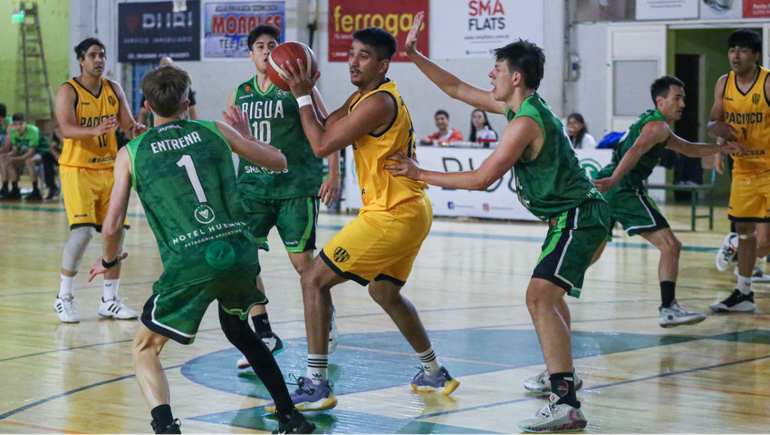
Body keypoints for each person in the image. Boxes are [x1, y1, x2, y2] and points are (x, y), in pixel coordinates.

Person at [87, 65, 315, 435]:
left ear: (145, 106)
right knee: (240, 331)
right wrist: (246, 135)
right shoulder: (214, 129)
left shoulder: (131, 152)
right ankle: (291, 418)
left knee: (144, 348)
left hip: (189, 261)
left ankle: (165, 428)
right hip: (238, 252)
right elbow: (279, 162)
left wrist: (109, 259)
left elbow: (112, 226)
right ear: (187, 103)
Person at [403, 13, 603, 432]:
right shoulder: (518, 105)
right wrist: (414, 55)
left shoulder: (525, 121)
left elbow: (480, 179)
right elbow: (456, 88)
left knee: (538, 297)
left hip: (579, 216)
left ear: (516, 78)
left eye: (496, 70)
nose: (489, 76)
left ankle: (565, 402)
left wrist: (419, 174)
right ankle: (562, 374)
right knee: (550, 297)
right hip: (575, 216)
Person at [265, 26, 460, 413]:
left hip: (392, 213)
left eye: (364, 56)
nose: (353, 61)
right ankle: (435, 372)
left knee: (313, 279)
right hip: (408, 209)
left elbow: (321, 145)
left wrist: (301, 92)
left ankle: (317, 384)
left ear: (383, 64)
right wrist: (308, 88)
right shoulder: (363, 96)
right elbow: (324, 123)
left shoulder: (378, 104)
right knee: (383, 291)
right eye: (351, 53)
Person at [226, 25, 342, 370]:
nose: (266, 51)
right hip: (252, 190)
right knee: (242, 261)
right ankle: (265, 333)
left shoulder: (299, 87)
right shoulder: (240, 92)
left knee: (303, 265)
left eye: (272, 45)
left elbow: (329, 126)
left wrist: (333, 173)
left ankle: (328, 316)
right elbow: (230, 138)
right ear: (250, 54)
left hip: (295, 187)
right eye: (259, 46)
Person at [590, 75, 743, 326]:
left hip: (610, 186)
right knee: (671, 245)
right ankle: (668, 308)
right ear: (660, 101)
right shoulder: (658, 126)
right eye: (677, 98)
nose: (682, 103)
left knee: (593, 250)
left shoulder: (655, 123)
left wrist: (720, 149)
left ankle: (551, 288)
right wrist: (617, 179)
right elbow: (635, 150)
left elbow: (688, 148)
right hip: (623, 187)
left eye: (683, 98)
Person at [53, 38, 146, 323]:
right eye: (93, 55)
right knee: (82, 233)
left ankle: (110, 301)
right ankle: (63, 296)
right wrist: (94, 131)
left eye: (102, 55)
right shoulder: (68, 91)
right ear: (81, 60)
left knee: (116, 233)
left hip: (109, 170)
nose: (99, 60)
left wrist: (138, 130)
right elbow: (66, 128)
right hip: (77, 169)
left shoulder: (113, 89)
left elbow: (128, 125)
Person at [708, 29, 770, 313]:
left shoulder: (767, 83)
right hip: (743, 171)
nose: (736, 55)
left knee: (765, 241)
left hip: (769, 170)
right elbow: (713, 123)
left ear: (756, 55)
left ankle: (737, 248)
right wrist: (719, 140)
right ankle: (743, 293)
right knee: (746, 232)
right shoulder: (724, 84)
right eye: (733, 49)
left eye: (743, 50)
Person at [0, 113, 49, 200]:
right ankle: (15, 190)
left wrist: (15, 159)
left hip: (42, 152)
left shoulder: (33, 130)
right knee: (5, 159)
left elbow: (31, 153)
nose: (18, 127)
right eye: (15, 124)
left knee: (29, 161)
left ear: (25, 123)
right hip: (25, 154)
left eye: (21, 124)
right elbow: (15, 150)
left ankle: (36, 190)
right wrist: (9, 156)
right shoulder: (13, 132)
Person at [138, 57, 198, 128]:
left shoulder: (183, 87)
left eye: (168, 65)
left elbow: (192, 109)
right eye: (164, 65)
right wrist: (141, 126)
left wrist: (195, 126)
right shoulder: (152, 88)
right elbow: (143, 112)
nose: (166, 67)